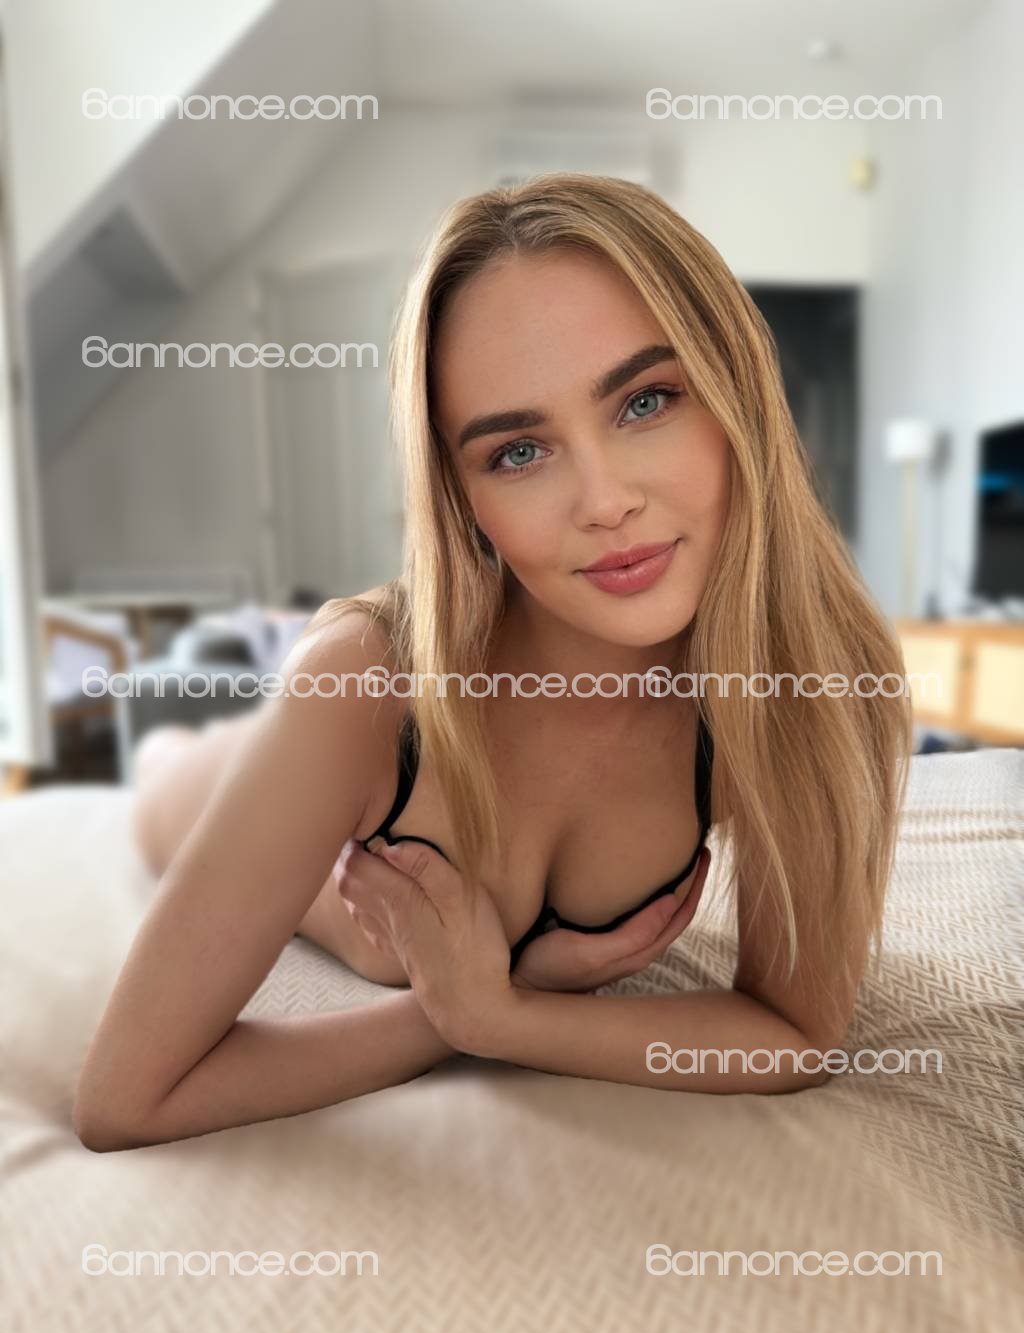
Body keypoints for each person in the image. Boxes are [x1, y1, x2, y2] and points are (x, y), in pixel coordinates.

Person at [73, 173, 912, 1151]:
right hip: (241, 776)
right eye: (518, 451)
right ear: (460, 497)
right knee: (171, 771)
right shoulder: (365, 686)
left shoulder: (816, 680)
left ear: (737, 393)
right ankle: (172, 747)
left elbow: (794, 1031)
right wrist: (447, 1018)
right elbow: (127, 1099)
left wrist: (504, 1017)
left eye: (645, 401)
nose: (604, 501)